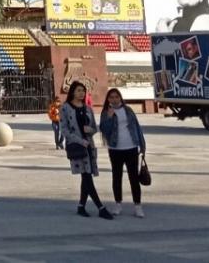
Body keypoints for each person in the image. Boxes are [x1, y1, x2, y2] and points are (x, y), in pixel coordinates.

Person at [60, 81, 112, 219]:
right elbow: (64, 129)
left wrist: (91, 130)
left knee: (86, 176)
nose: (81, 93)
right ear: (72, 92)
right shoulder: (65, 108)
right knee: (87, 176)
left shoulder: (88, 108)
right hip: (77, 147)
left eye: (83, 90)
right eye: (78, 90)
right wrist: (79, 140)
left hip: (89, 145)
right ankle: (100, 207)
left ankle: (81, 206)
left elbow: (95, 127)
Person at [99, 88, 147, 218]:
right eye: (111, 97)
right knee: (117, 177)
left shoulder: (128, 110)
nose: (114, 99)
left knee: (134, 178)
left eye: (116, 97)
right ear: (108, 99)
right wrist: (109, 117)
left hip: (131, 147)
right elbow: (104, 130)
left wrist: (142, 145)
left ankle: (137, 206)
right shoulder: (106, 112)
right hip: (115, 149)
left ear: (120, 98)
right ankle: (118, 204)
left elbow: (137, 127)